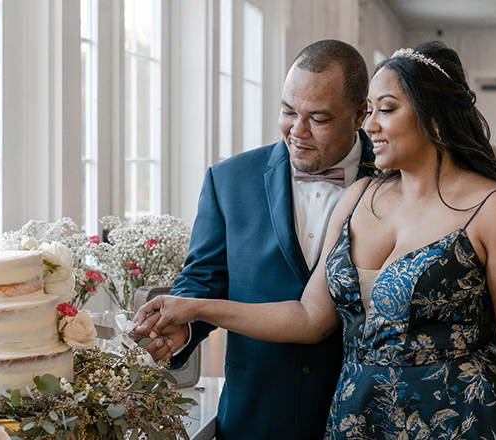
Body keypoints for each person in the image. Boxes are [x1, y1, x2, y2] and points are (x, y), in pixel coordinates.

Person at [135, 41, 496, 439]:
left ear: (434, 117)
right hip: (350, 418)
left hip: (456, 420)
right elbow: (310, 317)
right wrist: (191, 309)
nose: (371, 126)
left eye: (383, 110)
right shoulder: (357, 197)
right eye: (287, 111)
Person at [136, 39, 376, 440]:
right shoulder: (228, 180)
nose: (296, 131)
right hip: (255, 414)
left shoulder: (396, 183)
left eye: (318, 118)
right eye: (287, 111)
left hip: (363, 415)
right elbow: (201, 282)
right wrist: (182, 333)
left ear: (360, 115)